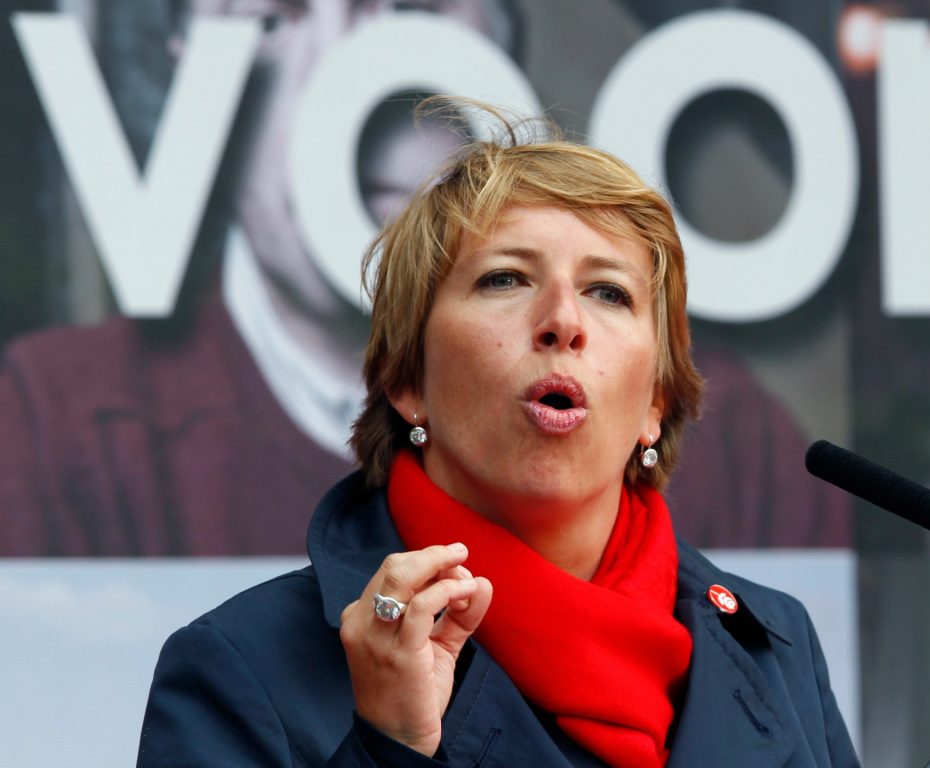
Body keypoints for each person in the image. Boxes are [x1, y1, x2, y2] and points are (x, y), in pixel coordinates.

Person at [136, 107, 858, 766]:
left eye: (608, 292)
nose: (563, 321)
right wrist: (389, 748)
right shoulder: (240, 667)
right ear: (408, 380)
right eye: (506, 280)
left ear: (656, 404)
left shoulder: (775, 647)